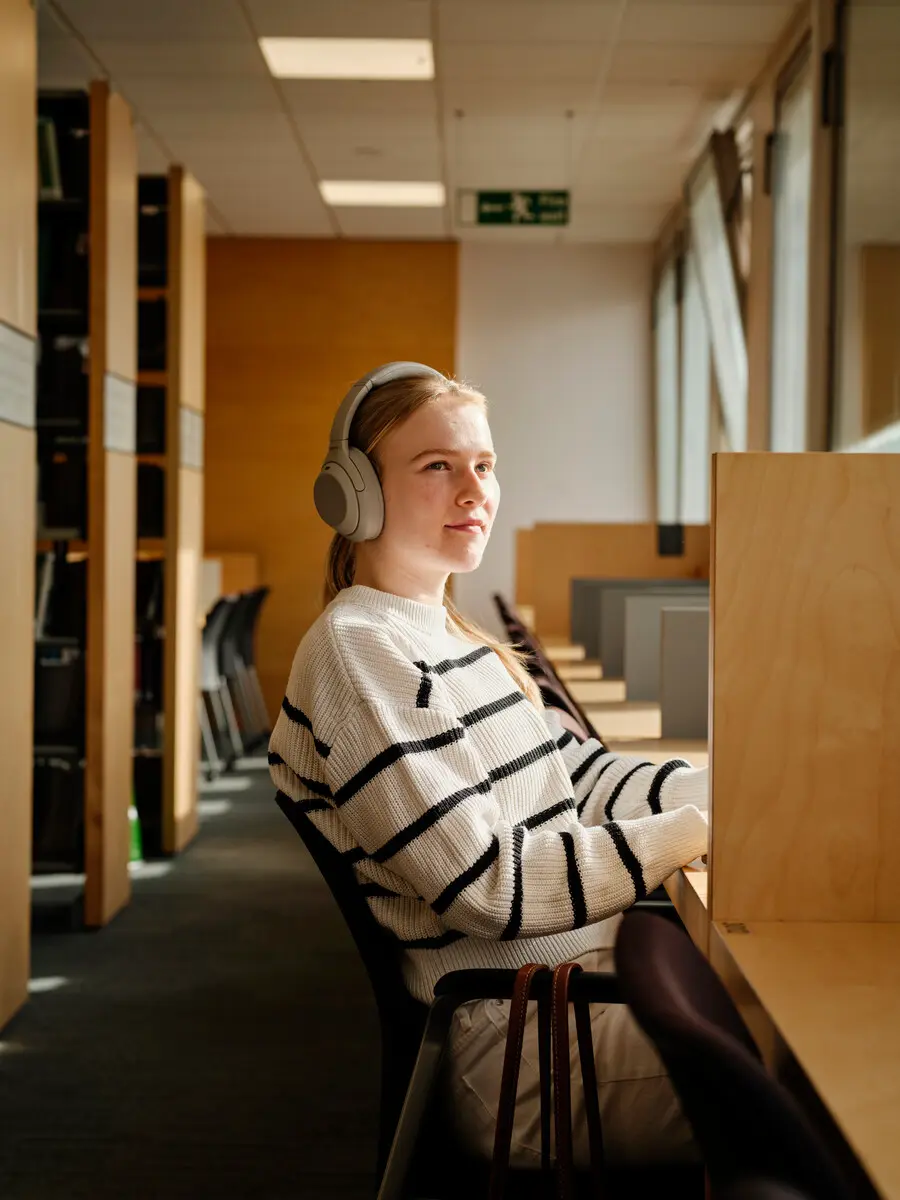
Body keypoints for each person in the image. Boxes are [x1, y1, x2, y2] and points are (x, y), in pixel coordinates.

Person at [269, 362, 708, 1167]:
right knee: (817, 1083)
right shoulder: (360, 651)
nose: (474, 492)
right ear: (355, 493)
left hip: (578, 991)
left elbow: (578, 776)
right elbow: (489, 885)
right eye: (437, 467)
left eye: (484, 465)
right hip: (521, 1047)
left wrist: (723, 792)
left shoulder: (453, 634)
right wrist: (687, 835)